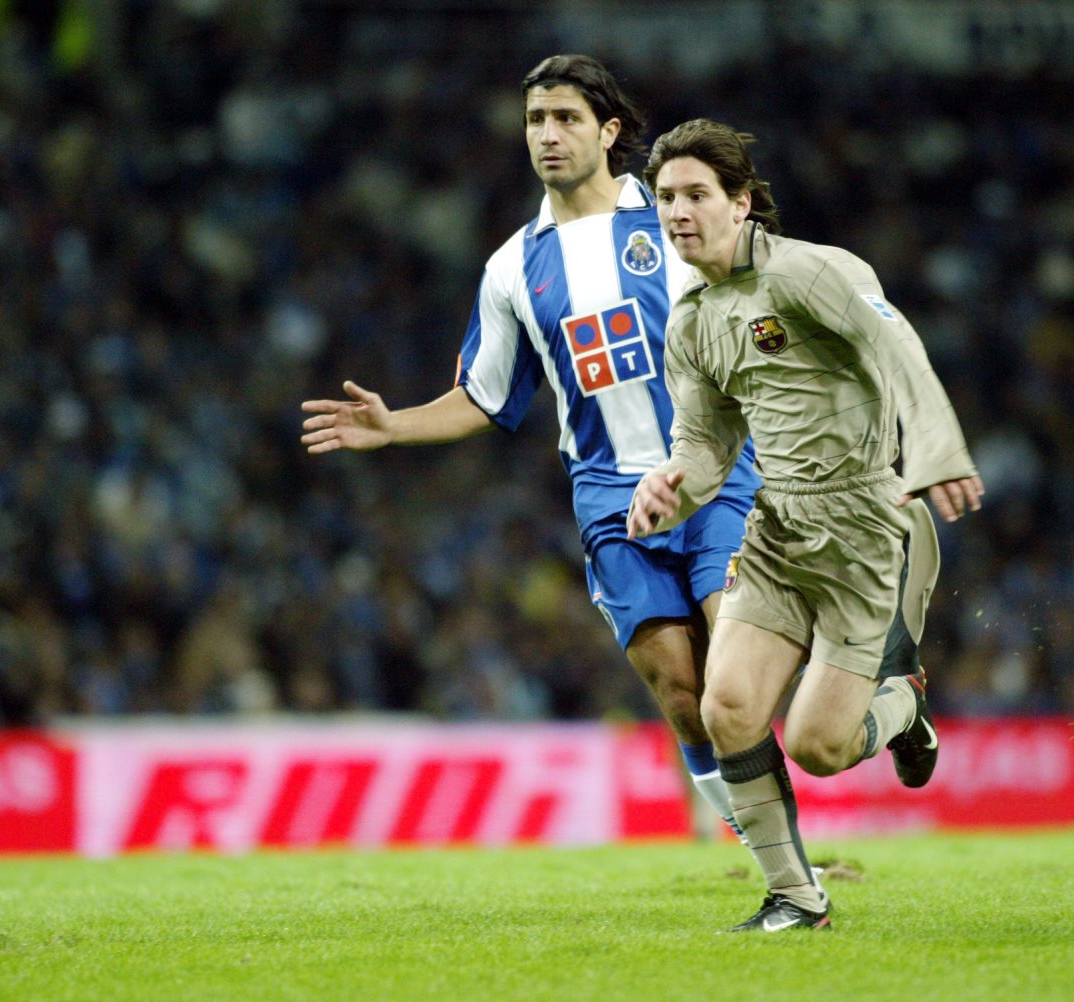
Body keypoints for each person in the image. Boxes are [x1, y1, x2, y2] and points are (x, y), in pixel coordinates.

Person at [302, 55, 762, 840]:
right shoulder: (512, 266)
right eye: (535, 120)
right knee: (683, 696)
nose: (547, 135)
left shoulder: (675, 217)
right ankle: (777, 863)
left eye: (566, 119)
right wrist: (395, 425)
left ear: (608, 132)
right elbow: (485, 397)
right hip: (612, 499)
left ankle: (851, 739)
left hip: (714, 476)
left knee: (735, 678)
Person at [627, 118, 984, 932]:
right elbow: (705, 448)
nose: (677, 212)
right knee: (726, 707)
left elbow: (897, 342)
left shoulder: (810, 272)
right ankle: (795, 897)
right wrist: (671, 490)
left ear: (741, 202)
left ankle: (902, 706)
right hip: (777, 528)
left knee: (821, 748)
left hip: (866, 526)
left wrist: (936, 448)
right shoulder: (691, 322)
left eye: (695, 194)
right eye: (665, 198)